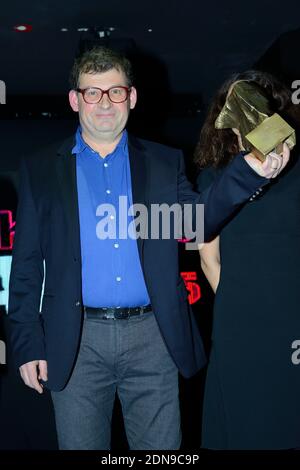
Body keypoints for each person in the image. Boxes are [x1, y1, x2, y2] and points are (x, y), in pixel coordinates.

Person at [8, 49, 288, 451]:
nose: (104, 102)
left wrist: (249, 172)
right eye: (92, 92)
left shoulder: (162, 162)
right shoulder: (40, 169)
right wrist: (27, 343)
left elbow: (196, 222)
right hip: (75, 342)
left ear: (132, 97)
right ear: (75, 100)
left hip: (153, 338)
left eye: (115, 91)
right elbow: (26, 267)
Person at [195, 69, 300, 449]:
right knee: (244, 424)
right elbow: (208, 258)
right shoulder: (216, 179)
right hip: (241, 325)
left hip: (293, 321)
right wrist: (242, 302)